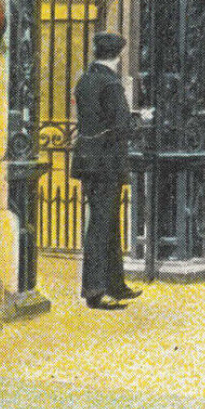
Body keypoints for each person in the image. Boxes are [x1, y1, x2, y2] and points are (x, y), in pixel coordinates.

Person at [71, 31, 141, 310]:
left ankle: (115, 285)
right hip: (107, 162)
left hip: (88, 160)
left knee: (107, 222)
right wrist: (140, 121)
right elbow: (121, 125)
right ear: (119, 55)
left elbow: (95, 119)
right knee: (102, 225)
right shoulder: (111, 84)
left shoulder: (85, 80)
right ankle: (95, 290)